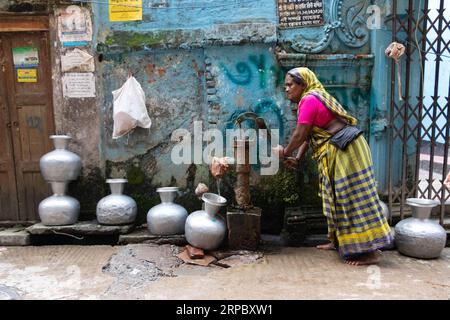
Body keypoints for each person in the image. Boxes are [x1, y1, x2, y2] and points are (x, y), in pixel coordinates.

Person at [275, 67, 393, 266]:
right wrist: (298, 157)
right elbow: (311, 134)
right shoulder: (311, 99)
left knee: (353, 197)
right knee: (337, 198)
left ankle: (371, 252)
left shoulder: (309, 100)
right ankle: (337, 241)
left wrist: (285, 152)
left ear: (303, 84)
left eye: (290, 85)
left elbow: (300, 133)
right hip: (341, 147)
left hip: (347, 149)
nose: (286, 89)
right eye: (285, 85)